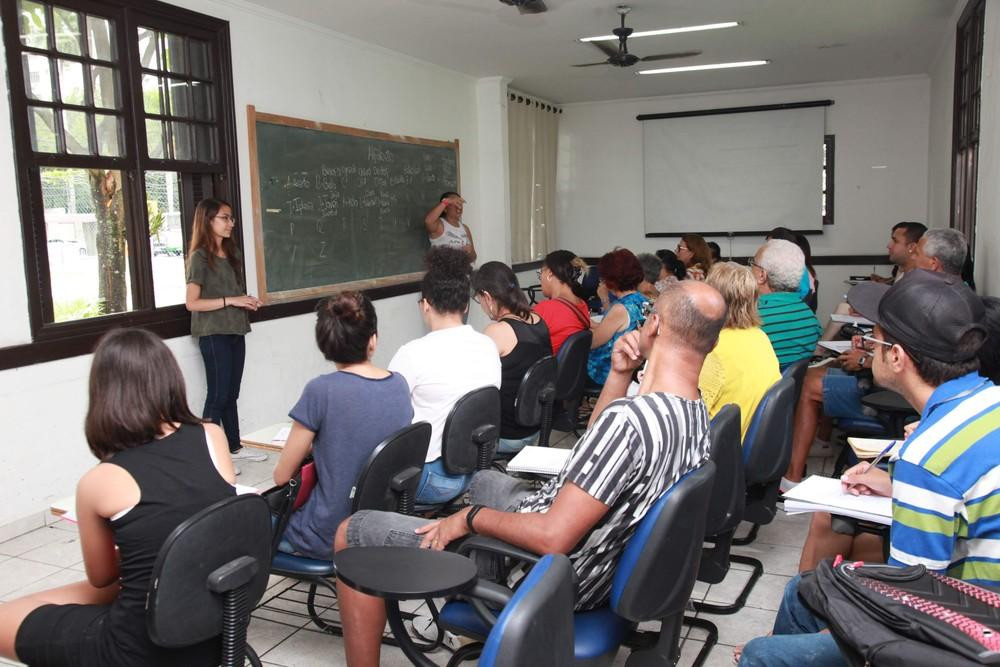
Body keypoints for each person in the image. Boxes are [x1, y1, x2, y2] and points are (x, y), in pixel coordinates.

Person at [334, 280, 727, 667]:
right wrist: (619, 375)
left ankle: (474, 593)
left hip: (547, 576)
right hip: (594, 562)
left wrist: (468, 521)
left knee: (353, 531)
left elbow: (553, 536)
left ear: (654, 326)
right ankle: (480, 624)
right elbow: (593, 456)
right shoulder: (693, 413)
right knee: (484, 481)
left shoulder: (630, 422)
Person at [739, 270, 1000, 667]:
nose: (868, 347)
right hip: (978, 600)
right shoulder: (986, 403)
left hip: (973, 633)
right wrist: (896, 486)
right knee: (803, 590)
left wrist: (838, 632)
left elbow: (910, 605)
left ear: (896, 357)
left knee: (762, 653)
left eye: (874, 339)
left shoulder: (927, 455)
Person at [0, 328, 237, 666]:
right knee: (36, 604)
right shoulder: (212, 437)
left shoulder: (99, 482)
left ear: (104, 394)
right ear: (169, 378)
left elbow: (103, 577)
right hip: (213, 630)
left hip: (136, 648)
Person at [783, 231, 969, 488]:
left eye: (917, 252)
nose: (912, 255)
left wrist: (866, 361)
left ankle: (792, 476)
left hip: (893, 397)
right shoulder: (959, 297)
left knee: (810, 383)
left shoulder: (933, 305)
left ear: (934, 264)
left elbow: (920, 365)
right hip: (905, 394)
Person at [271, 292, 413, 560]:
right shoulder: (399, 384)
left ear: (325, 344)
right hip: (380, 526)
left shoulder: (320, 390)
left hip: (328, 534)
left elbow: (281, 476)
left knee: (254, 521)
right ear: (373, 340)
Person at [388, 247, 500, 504]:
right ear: (464, 305)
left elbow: (387, 415)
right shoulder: (487, 345)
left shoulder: (412, 354)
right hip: (477, 469)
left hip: (432, 479)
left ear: (425, 305)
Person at [185, 197, 265, 467]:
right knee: (217, 395)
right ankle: (210, 458)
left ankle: (234, 447)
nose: (231, 223)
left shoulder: (232, 254)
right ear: (208, 221)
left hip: (235, 329)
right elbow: (192, 302)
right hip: (212, 333)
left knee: (232, 394)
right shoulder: (199, 258)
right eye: (224, 218)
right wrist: (232, 300)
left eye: (231, 218)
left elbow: (233, 293)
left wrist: (247, 299)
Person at [472, 262, 552, 454]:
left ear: (488, 297)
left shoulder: (496, 332)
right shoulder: (539, 320)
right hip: (536, 425)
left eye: (479, 299)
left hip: (509, 434)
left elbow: (476, 385)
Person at [700, 262, 781, 439]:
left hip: (718, 447)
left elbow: (690, 418)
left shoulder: (713, 351)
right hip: (749, 443)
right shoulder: (760, 337)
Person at [752, 239, 822, 370]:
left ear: (762, 275)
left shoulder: (751, 318)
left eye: (753, 263)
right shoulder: (810, 318)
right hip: (791, 388)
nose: (750, 268)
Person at [588, 248, 650, 386]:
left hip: (608, 370)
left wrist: (603, 297)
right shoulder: (643, 300)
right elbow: (622, 329)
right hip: (635, 365)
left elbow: (593, 343)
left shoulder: (620, 309)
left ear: (610, 280)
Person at [533, 250, 591, 355]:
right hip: (571, 370)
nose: (540, 279)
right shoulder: (582, 304)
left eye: (541, 273)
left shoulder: (545, 309)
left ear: (550, 274)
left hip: (549, 368)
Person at [424, 191, 476, 262]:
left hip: (465, 272)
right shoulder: (440, 225)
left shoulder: (465, 228)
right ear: (445, 209)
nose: (459, 207)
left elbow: (474, 256)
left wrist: (470, 252)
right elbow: (428, 221)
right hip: (445, 272)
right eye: (455, 204)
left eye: (460, 204)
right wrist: (446, 201)